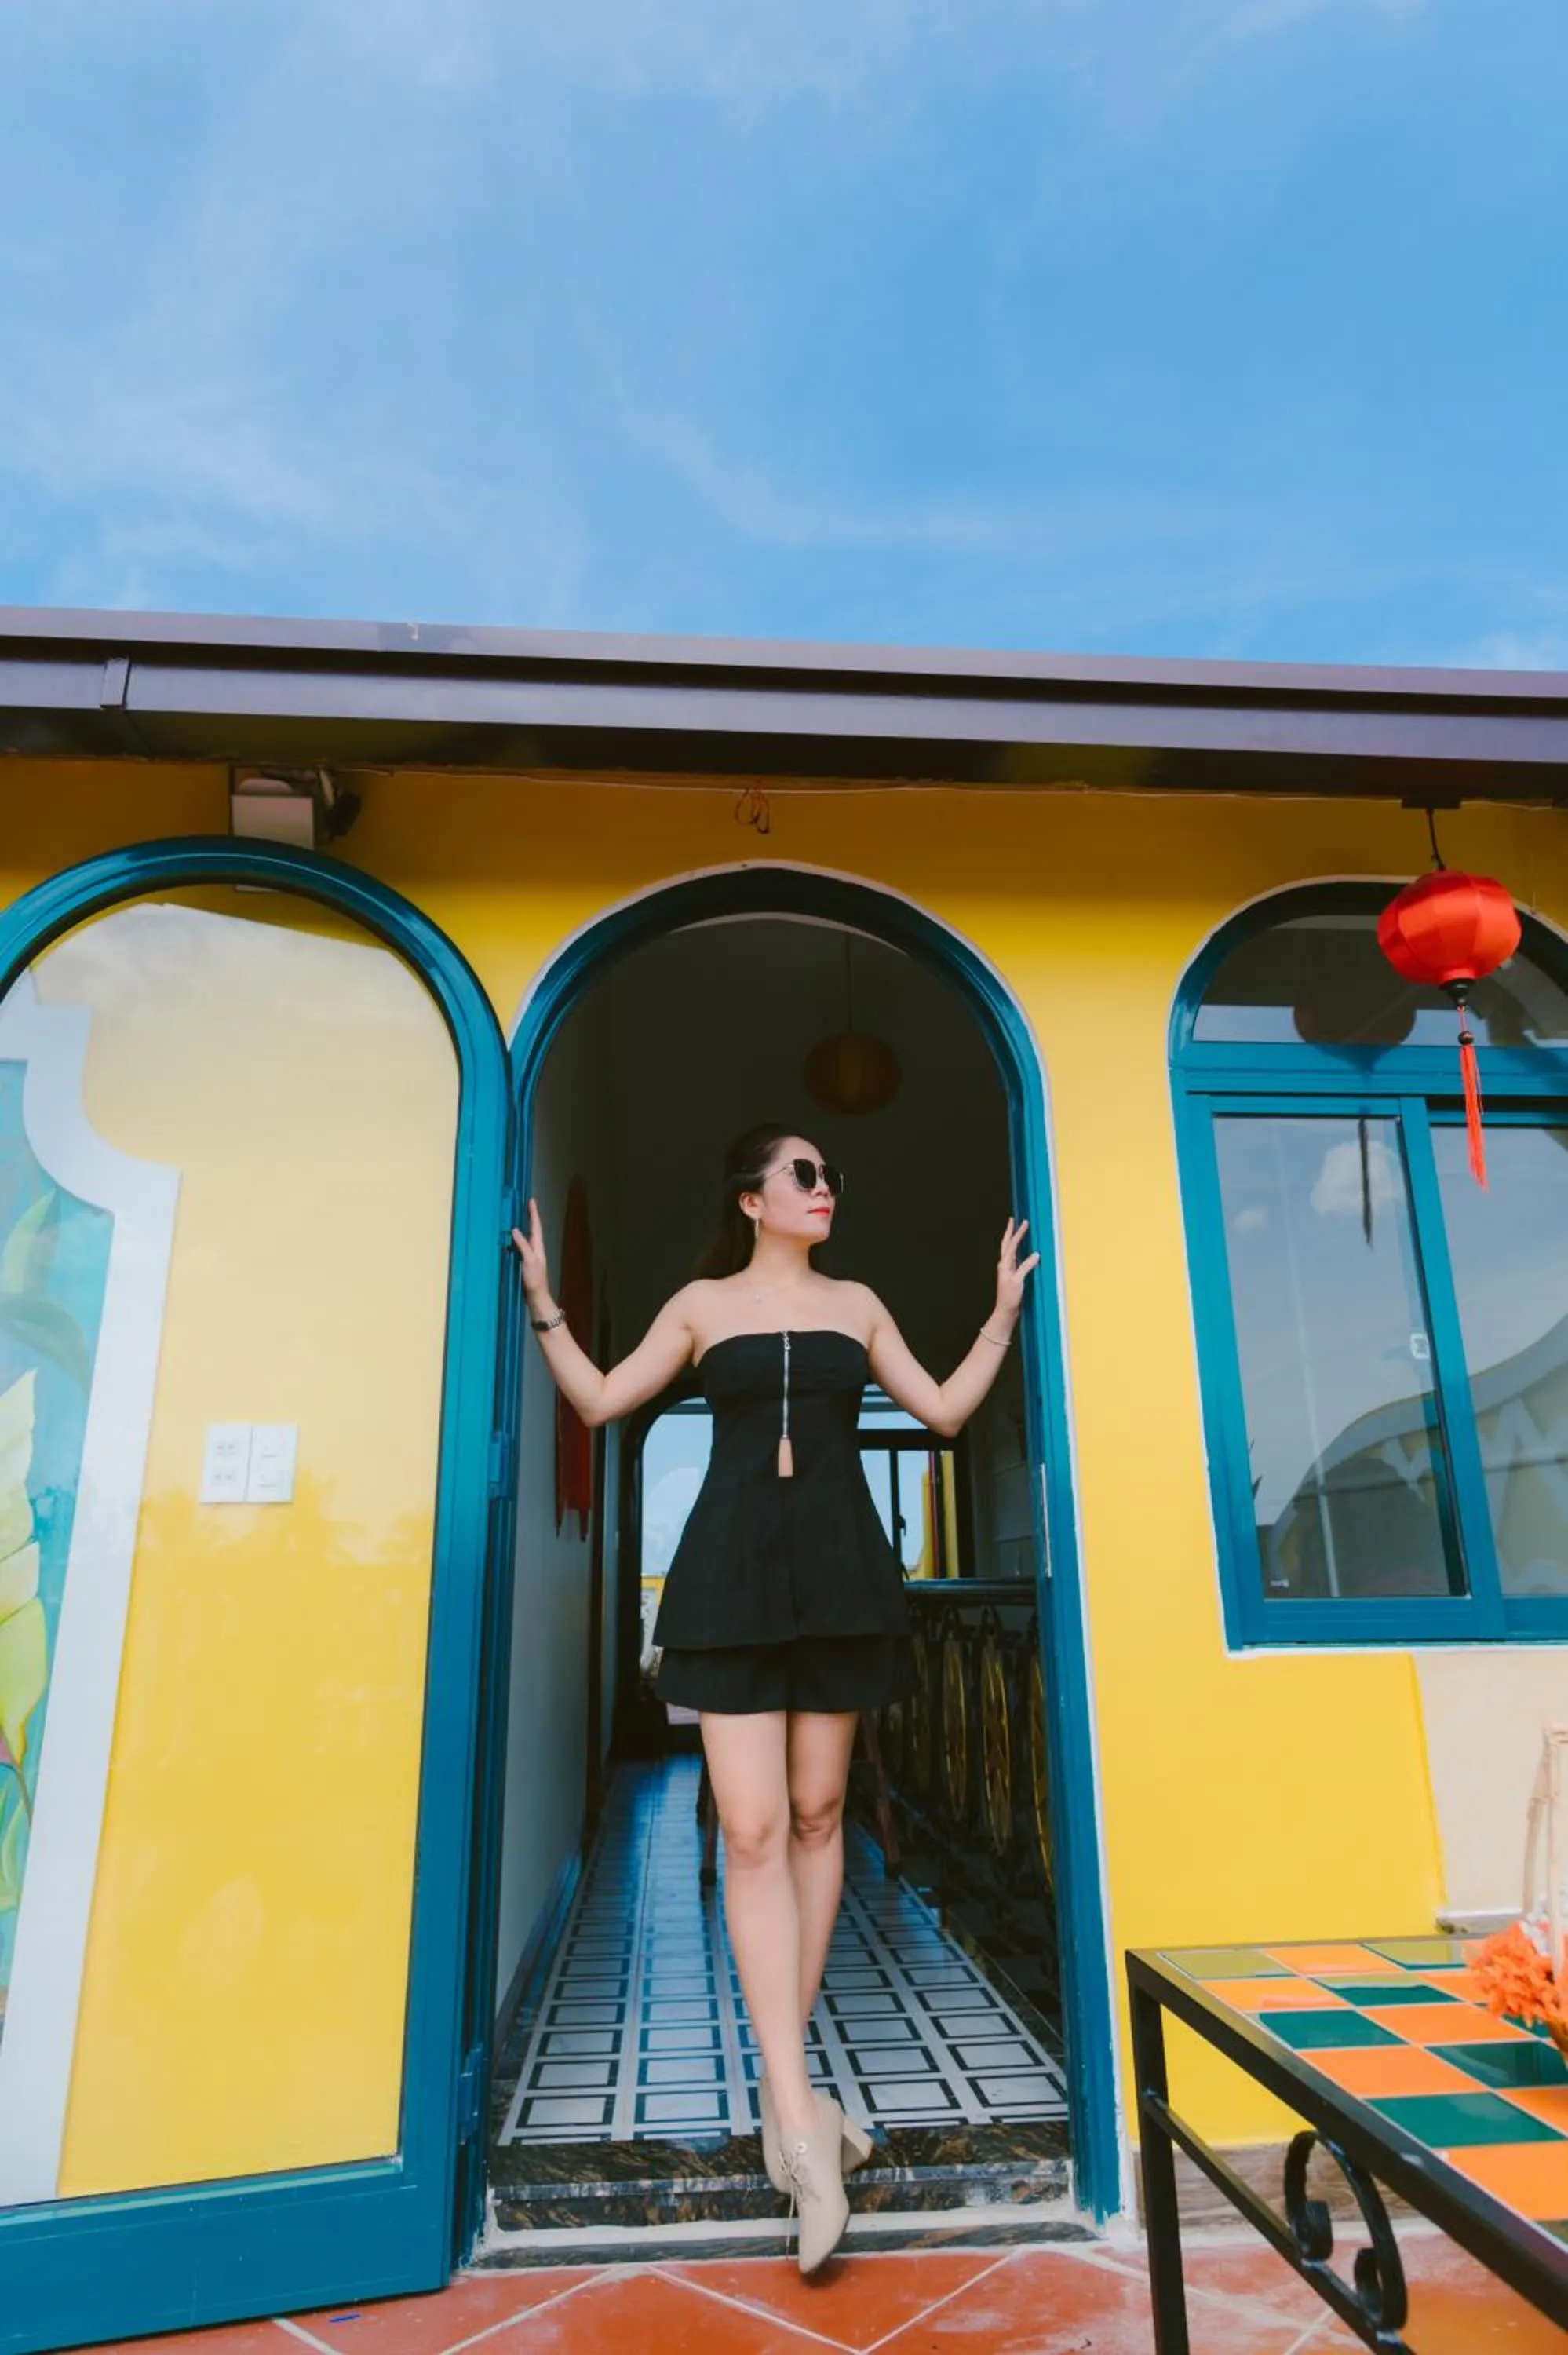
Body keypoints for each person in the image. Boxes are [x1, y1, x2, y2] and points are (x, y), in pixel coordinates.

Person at [512, 1120, 1038, 2274]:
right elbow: (601, 1402)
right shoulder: (701, 1304)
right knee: (749, 1832)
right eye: (803, 1175)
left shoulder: (859, 1304)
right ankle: (800, 2116)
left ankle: (783, 2101)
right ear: (750, 1198)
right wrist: (546, 1304)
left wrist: (998, 1314)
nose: (824, 1189)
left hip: (845, 1570)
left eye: (830, 1176)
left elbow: (943, 1413)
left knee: (814, 1818)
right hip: (730, 1575)